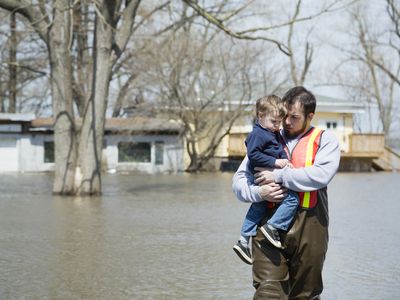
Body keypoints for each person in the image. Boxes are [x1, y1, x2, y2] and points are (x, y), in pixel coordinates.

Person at [232, 86, 341, 299]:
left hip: (310, 226)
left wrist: (278, 176)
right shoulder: (266, 136)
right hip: (267, 225)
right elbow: (238, 183)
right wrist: (259, 192)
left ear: (310, 116)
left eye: (294, 117)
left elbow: (320, 175)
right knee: (268, 293)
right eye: (285, 116)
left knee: (305, 294)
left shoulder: (326, 140)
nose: (286, 122)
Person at [233, 95, 299, 265]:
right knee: (292, 199)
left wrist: (286, 163)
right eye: (274, 122)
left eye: (279, 122)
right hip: (261, 176)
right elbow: (253, 155)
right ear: (260, 116)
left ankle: (243, 240)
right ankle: (273, 227)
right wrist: (276, 163)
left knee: (258, 207)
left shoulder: (271, 132)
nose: (278, 126)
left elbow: (278, 151)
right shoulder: (258, 134)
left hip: (266, 175)